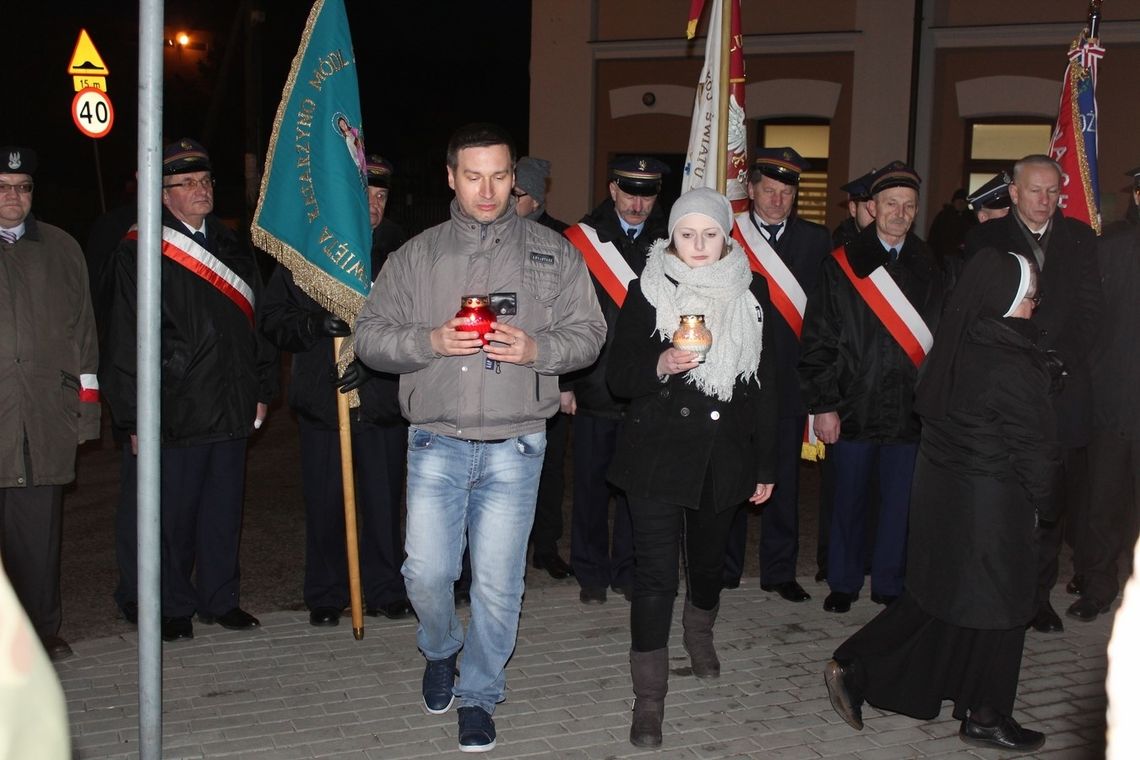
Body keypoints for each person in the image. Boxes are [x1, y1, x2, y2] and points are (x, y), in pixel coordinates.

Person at [352, 123, 605, 753]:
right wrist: (428, 342)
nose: (487, 189)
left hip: (518, 445)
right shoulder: (417, 255)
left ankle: (480, 692)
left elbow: (592, 332)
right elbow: (370, 337)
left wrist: (538, 349)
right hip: (436, 441)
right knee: (427, 574)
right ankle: (441, 648)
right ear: (450, 178)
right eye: (473, 175)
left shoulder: (553, 251)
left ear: (513, 174)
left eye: (499, 175)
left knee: (497, 584)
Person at [824, 249, 1058, 753]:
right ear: (1005, 297)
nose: (1034, 304)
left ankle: (857, 667)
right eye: (1029, 295)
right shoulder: (1011, 360)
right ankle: (987, 715)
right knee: (1006, 610)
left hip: (946, 502)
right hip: (995, 511)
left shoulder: (955, 345)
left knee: (943, 605)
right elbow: (1038, 452)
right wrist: (1051, 504)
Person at [605, 187, 778, 748]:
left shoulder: (754, 291)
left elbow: (768, 386)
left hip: (722, 455)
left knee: (707, 565)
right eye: (687, 234)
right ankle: (649, 698)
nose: (698, 246)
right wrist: (659, 362)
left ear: (727, 234)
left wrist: (766, 460)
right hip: (655, 454)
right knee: (654, 578)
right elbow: (619, 376)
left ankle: (699, 630)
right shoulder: (646, 288)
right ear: (671, 236)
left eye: (709, 234)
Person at [101, 138, 279, 643]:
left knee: (224, 508)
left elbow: (257, 323)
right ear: (162, 194)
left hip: (232, 398)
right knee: (172, 514)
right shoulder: (140, 250)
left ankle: (220, 598)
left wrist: (263, 386)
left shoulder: (231, 245)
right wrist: (134, 418)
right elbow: (125, 339)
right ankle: (173, 603)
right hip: (175, 406)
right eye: (187, 183)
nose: (200, 190)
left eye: (204, 181)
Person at [261, 154, 411, 628]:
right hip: (323, 402)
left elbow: (417, 328)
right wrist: (311, 323)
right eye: (365, 194)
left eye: (381, 196)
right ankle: (326, 592)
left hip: (383, 401)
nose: (373, 205)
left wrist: (377, 364)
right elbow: (272, 320)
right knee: (326, 501)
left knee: (384, 505)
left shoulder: (404, 255)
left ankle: (387, 588)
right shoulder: (307, 253)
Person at [799, 161, 952, 614]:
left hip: (910, 409)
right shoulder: (840, 266)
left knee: (900, 506)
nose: (899, 213)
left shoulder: (931, 265)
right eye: (890, 204)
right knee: (847, 500)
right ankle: (844, 582)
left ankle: (889, 581)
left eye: (908, 206)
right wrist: (823, 405)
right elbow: (818, 339)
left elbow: (939, 342)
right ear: (872, 207)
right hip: (852, 406)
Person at [963, 154, 1102, 634]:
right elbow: (975, 310)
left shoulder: (1082, 240)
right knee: (1005, 492)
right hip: (1004, 385)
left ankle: (1038, 598)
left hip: (1063, 388)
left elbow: (1091, 313)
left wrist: (1056, 362)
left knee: (1050, 498)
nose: (1044, 201)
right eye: (1034, 191)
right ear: (1014, 193)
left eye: (1052, 192)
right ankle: (997, 588)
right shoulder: (986, 239)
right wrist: (1018, 360)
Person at [0, 146, 101, 662]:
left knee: (39, 538)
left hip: (44, 416)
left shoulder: (61, 247)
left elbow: (84, 335)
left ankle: (41, 632)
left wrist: (85, 412)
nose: (13, 197)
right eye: (3, 186)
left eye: (22, 187)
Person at [723, 148, 830, 602]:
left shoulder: (817, 241)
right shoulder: (727, 235)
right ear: (750, 190)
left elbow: (823, 315)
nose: (777, 200)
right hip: (734, 377)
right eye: (769, 191)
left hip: (788, 380)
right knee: (730, 478)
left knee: (783, 480)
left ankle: (779, 570)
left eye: (786, 193)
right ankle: (724, 566)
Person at [564, 156, 670, 605]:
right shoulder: (580, 240)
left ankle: (628, 568)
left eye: (647, 194)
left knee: (635, 488)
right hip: (593, 382)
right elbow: (562, 312)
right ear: (612, 190)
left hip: (645, 385)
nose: (638, 203)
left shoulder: (668, 243)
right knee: (589, 485)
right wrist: (564, 381)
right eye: (630, 192)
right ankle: (589, 571)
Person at [1066, 173, 1139, 623]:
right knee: (1101, 504)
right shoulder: (1109, 249)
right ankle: (1096, 587)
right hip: (1111, 400)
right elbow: (1086, 325)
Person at [512, 156, 574, 580]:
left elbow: (575, 318)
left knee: (550, 467)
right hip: (504, 371)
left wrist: (566, 383)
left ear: (534, 197)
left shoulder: (563, 239)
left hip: (549, 374)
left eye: (514, 192)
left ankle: (547, 546)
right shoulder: (493, 236)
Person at [926, 187, 976, 264]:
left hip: (964, 259)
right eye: (959, 201)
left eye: (963, 201)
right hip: (943, 258)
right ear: (953, 202)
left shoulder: (971, 217)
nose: (961, 203)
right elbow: (934, 238)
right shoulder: (943, 216)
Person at [831, 168, 876, 250]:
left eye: (879, 207)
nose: (875, 214)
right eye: (869, 208)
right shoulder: (840, 245)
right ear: (853, 209)